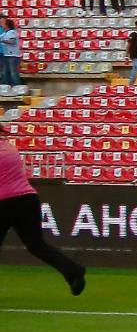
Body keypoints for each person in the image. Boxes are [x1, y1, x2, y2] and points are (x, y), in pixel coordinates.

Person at [0, 124, 85, 294]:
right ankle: (72, 271)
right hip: (27, 199)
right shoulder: (9, 147)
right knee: (37, 245)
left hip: (4, 203)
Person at [0, 18, 21, 87]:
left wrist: (2, 41)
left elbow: (12, 42)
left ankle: (17, 86)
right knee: (5, 72)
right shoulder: (5, 33)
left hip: (13, 55)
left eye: (3, 24)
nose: (1, 25)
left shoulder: (12, 32)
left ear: (7, 25)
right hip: (7, 55)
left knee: (13, 72)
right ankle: (7, 87)